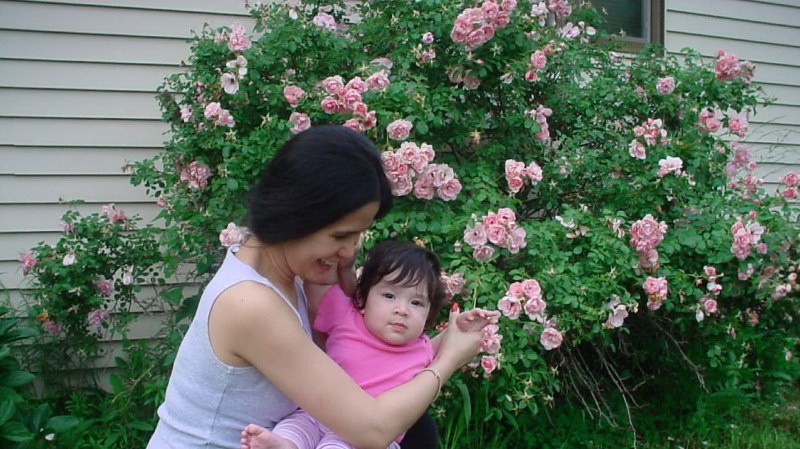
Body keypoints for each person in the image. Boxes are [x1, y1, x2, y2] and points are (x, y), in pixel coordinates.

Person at [147, 125, 490, 449]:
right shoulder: (250, 303)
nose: (350, 252)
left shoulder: (284, 275)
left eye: (357, 236)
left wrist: (443, 340)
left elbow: (354, 355)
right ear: (295, 214)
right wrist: (448, 362)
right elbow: (372, 429)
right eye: (341, 236)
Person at [239, 240, 499, 449]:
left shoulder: (420, 347)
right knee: (294, 427)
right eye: (389, 295)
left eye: (416, 303)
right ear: (363, 298)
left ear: (429, 313)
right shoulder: (346, 316)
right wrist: (344, 263)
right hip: (320, 414)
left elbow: (446, 349)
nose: (402, 310)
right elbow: (318, 284)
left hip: (365, 440)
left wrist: (461, 328)